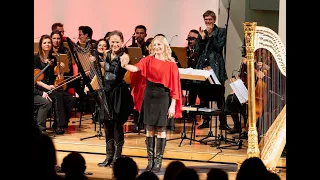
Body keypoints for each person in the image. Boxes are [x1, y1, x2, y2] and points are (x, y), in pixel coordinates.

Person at [122, 35, 182, 173]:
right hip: (149, 97)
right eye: (154, 45)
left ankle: (158, 162)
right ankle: (150, 161)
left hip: (163, 98)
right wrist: (125, 64)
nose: (156, 47)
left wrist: (173, 105)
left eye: (159, 45)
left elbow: (175, 87)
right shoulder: (147, 60)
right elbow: (136, 69)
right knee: (149, 129)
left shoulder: (171, 64)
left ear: (165, 46)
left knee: (161, 130)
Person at [97, 30, 134, 168]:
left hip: (118, 93)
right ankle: (108, 156)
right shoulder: (106, 54)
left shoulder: (124, 56)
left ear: (122, 42)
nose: (114, 44)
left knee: (117, 125)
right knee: (107, 124)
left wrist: (126, 63)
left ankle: (117, 158)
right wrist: (96, 61)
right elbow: (107, 68)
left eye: (117, 42)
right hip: (107, 92)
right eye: (112, 42)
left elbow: (123, 66)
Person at [189, 10, 229, 130]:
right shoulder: (203, 32)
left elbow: (218, 47)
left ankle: (223, 122)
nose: (208, 22)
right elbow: (198, 50)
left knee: (219, 94)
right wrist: (202, 39)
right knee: (203, 94)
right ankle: (206, 119)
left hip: (216, 64)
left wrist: (210, 36)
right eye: (206, 20)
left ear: (214, 20)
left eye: (210, 19)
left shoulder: (221, 31)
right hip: (203, 64)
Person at [34, 34, 76, 135]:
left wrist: (61, 69)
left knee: (71, 100)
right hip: (41, 87)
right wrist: (47, 87)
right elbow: (35, 79)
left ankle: (60, 123)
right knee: (58, 96)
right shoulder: (35, 58)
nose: (47, 44)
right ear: (41, 45)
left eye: (49, 42)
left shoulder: (53, 58)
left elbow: (56, 75)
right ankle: (59, 126)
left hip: (51, 86)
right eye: (45, 43)